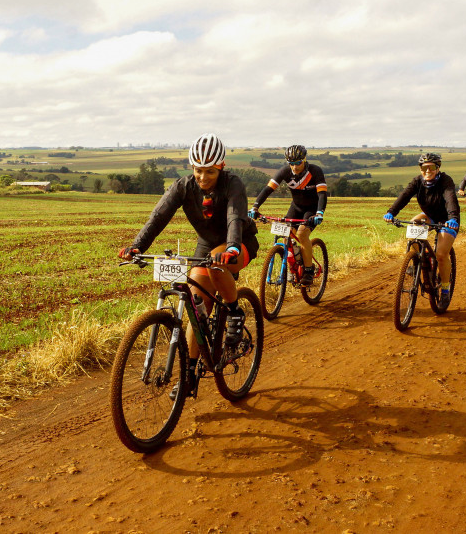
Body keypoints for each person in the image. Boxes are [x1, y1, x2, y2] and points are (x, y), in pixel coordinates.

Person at [118, 133, 258, 398]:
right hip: (206, 246)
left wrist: (231, 248)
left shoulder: (233, 184)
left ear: (221, 167)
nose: (203, 177)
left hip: (238, 242)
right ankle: (189, 376)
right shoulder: (183, 186)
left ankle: (234, 310)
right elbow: (159, 216)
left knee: (217, 267)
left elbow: (234, 218)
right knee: (196, 305)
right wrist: (138, 246)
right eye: (198, 170)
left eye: (209, 171)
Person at [382, 153, 460, 309]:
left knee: (441, 255)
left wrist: (452, 218)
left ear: (438, 168)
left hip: (447, 220)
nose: (427, 171)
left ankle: (445, 289)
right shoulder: (418, 181)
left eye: (431, 167)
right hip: (429, 216)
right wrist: (392, 212)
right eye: (424, 168)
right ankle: (420, 259)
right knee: (413, 223)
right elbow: (404, 196)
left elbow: (450, 198)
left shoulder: (445, 181)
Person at [248, 144, 327, 286]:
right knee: (286, 235)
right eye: (291, 164)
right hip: (296, 207)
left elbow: (322, 194)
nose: (295, 167)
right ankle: (295, 263)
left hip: (312, 209)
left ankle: (308, 270)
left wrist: (319, 213)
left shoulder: (315, 171)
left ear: (304, 160)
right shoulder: (285, 172)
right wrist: (255, 207)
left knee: (302, 234)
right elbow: (268, 189)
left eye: (298, 163)